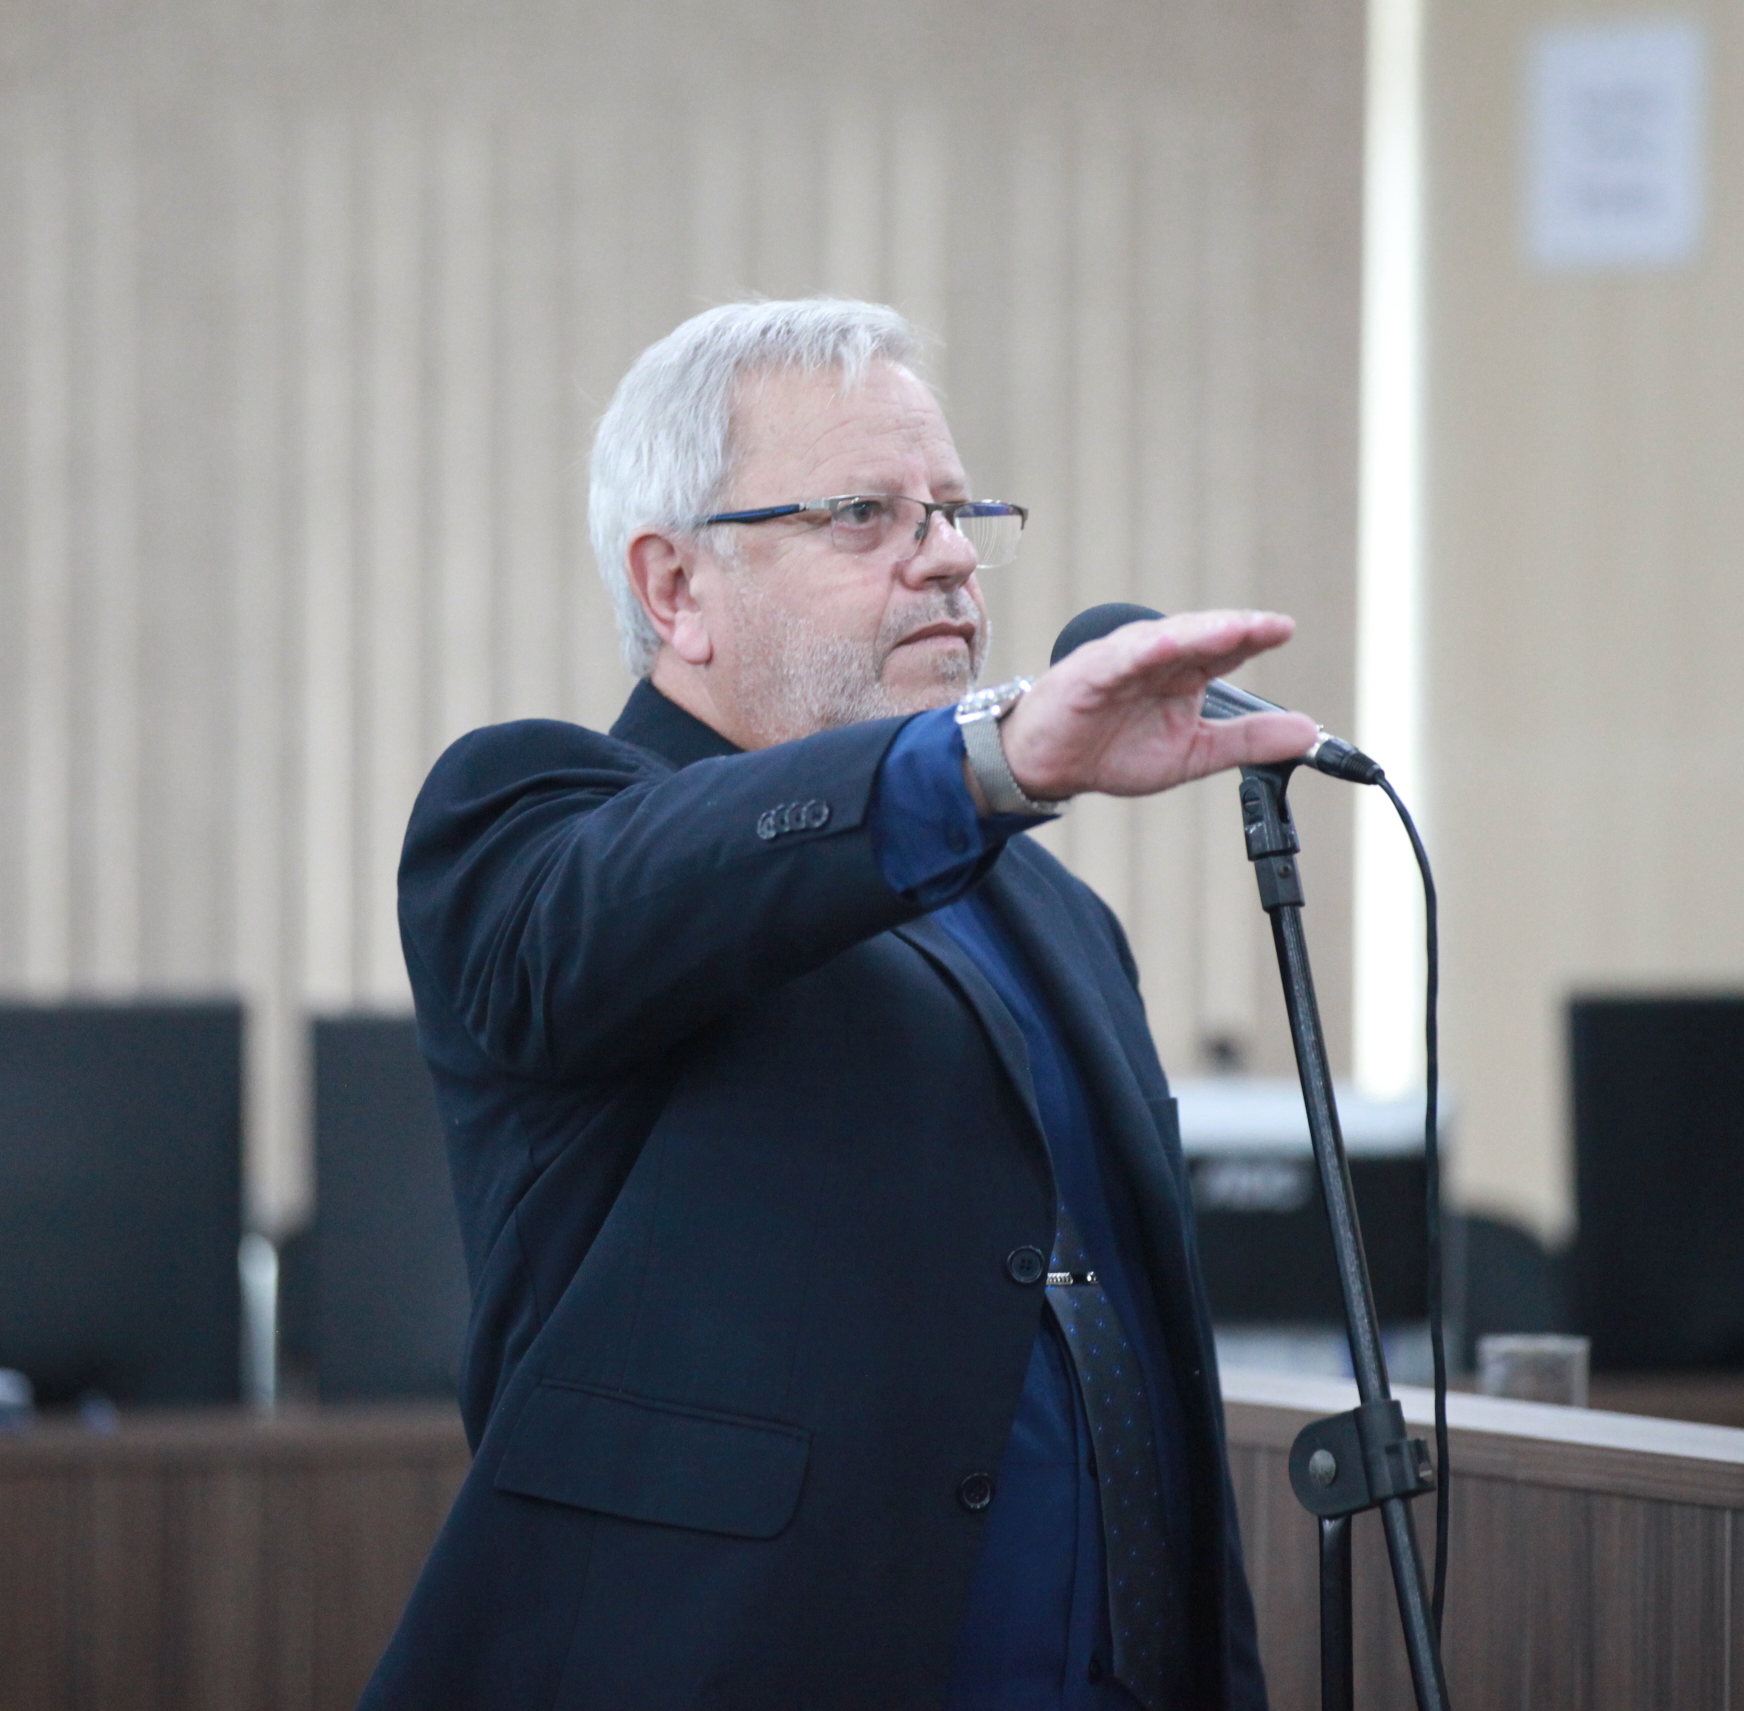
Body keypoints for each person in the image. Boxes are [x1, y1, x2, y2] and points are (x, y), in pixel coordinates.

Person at [361, 300, 1310, 1709]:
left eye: (957, 508)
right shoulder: (533, 825)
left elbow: (1149, 1372)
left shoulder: (1058, 918)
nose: (949, 556)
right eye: (866, 515)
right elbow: (656, 890)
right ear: (675, 587)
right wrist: (985, 764)